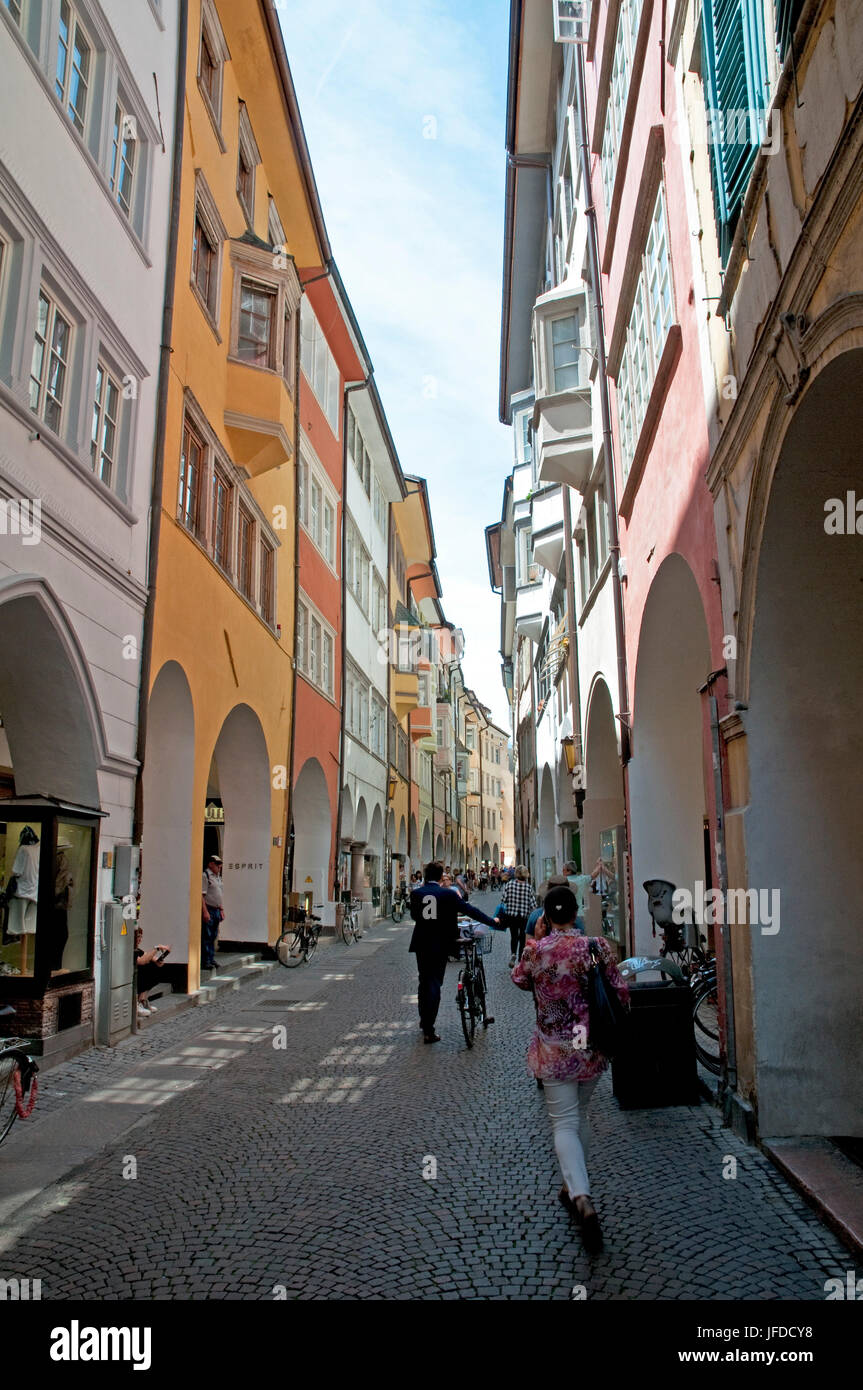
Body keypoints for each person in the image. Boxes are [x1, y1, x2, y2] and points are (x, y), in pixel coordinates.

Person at [512, 887, 629, 1252]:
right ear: (576, 913)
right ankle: (571, 1186)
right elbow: (621, 993)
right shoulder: (596, 947)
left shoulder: (536, 951)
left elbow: (518, 980)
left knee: (564, 1123)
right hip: (589, 1045)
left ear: (545, 916)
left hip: (555, 1047)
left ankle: (581, 1197)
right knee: (581, 1115)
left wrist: (537, 939)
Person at [409, 861, 498, 1043]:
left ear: (426, 875)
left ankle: (424, 1020)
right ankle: (429, 1029)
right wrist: (491, 921)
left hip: (422, 943)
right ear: (441, 876)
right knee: (434, 983)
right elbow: (470, 910)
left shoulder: (416, 894)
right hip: (441, 943)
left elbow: (414, 916)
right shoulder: (447, 894)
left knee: (424, 981)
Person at [500, 865, 538, 967]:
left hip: (511, 916)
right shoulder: (529, 887)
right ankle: (521, 958)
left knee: (514, 936)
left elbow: (503, 900)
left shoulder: (509, 884)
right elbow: (534, 905)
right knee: (522, 937)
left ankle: (513, 954)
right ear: (526, 875)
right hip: (524, 917)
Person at [135, 927, 171, 1016]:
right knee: (147, 968)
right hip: (130, 979)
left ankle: (142, 1000)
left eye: (141, 937)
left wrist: (159, 961)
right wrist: (156, 949)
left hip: (137, 977)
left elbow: (151, 959)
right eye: (138, 936)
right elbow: (141, 961)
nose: (140, 939)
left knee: (155, 968)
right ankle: (137, 1003)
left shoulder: (138, 950)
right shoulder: (130, 950)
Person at [201, 854, 224, 971]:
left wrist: (221, 909)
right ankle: (206, 961)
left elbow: (218, 894)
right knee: (207, 935)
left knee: (214, 935)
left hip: (216, 909)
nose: (219, 867)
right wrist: (205, 911)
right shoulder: (205, 876)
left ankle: (211, 958)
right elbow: (202, 895)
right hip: (209, 909)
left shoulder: (217, 877)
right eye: (217, 864)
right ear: (210, 864)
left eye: (220, 865)